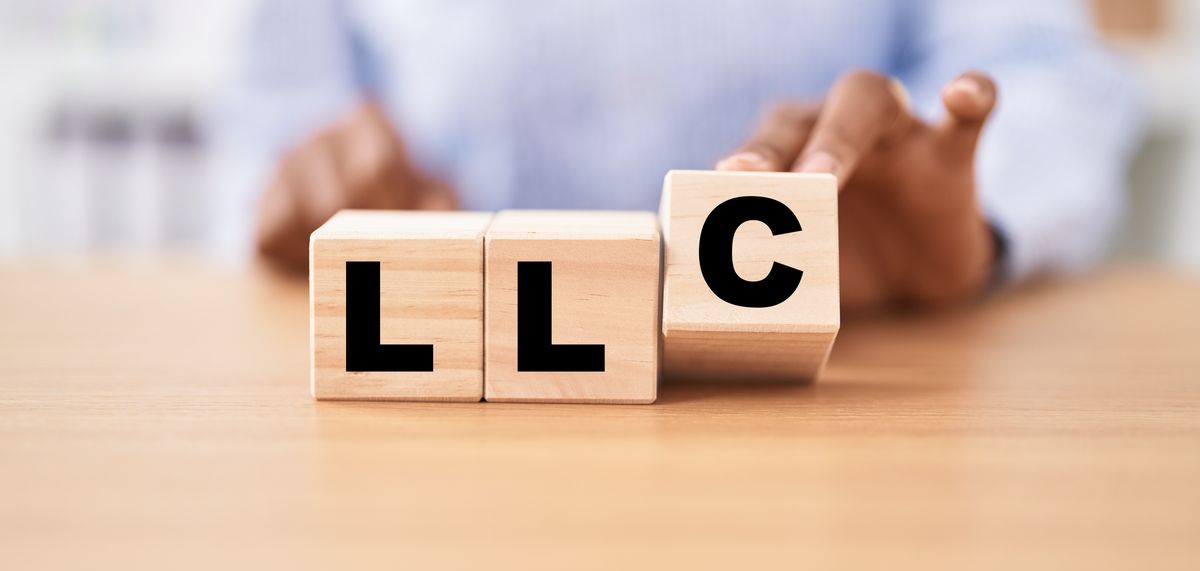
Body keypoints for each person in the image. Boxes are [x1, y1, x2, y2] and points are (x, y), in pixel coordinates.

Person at [223, 0, 1144, 312]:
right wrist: (305, 184)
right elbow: (272, 118)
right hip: (436, 426)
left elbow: (1045, 71)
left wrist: (976, 214)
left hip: (854, 393)